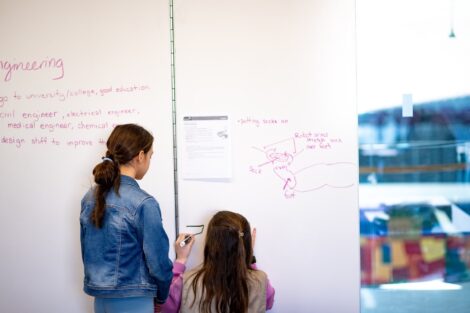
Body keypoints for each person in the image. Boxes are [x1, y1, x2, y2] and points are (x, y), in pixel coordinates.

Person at [80, 123, 173, 313]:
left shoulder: (89, 197)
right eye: (150, 155)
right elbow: (158, 262)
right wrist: (162, 296)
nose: (149, 161)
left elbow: (87, 249)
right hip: (134, 300)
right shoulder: (144, 203)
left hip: (100, 300)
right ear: (140, 156)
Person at [159, 211, 275, 313]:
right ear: (245, 245)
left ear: (210, 244)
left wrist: (181, 260)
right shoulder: (261, 282)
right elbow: (268, 304)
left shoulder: (186, 283)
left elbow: (165, 308)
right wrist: (249, 258)